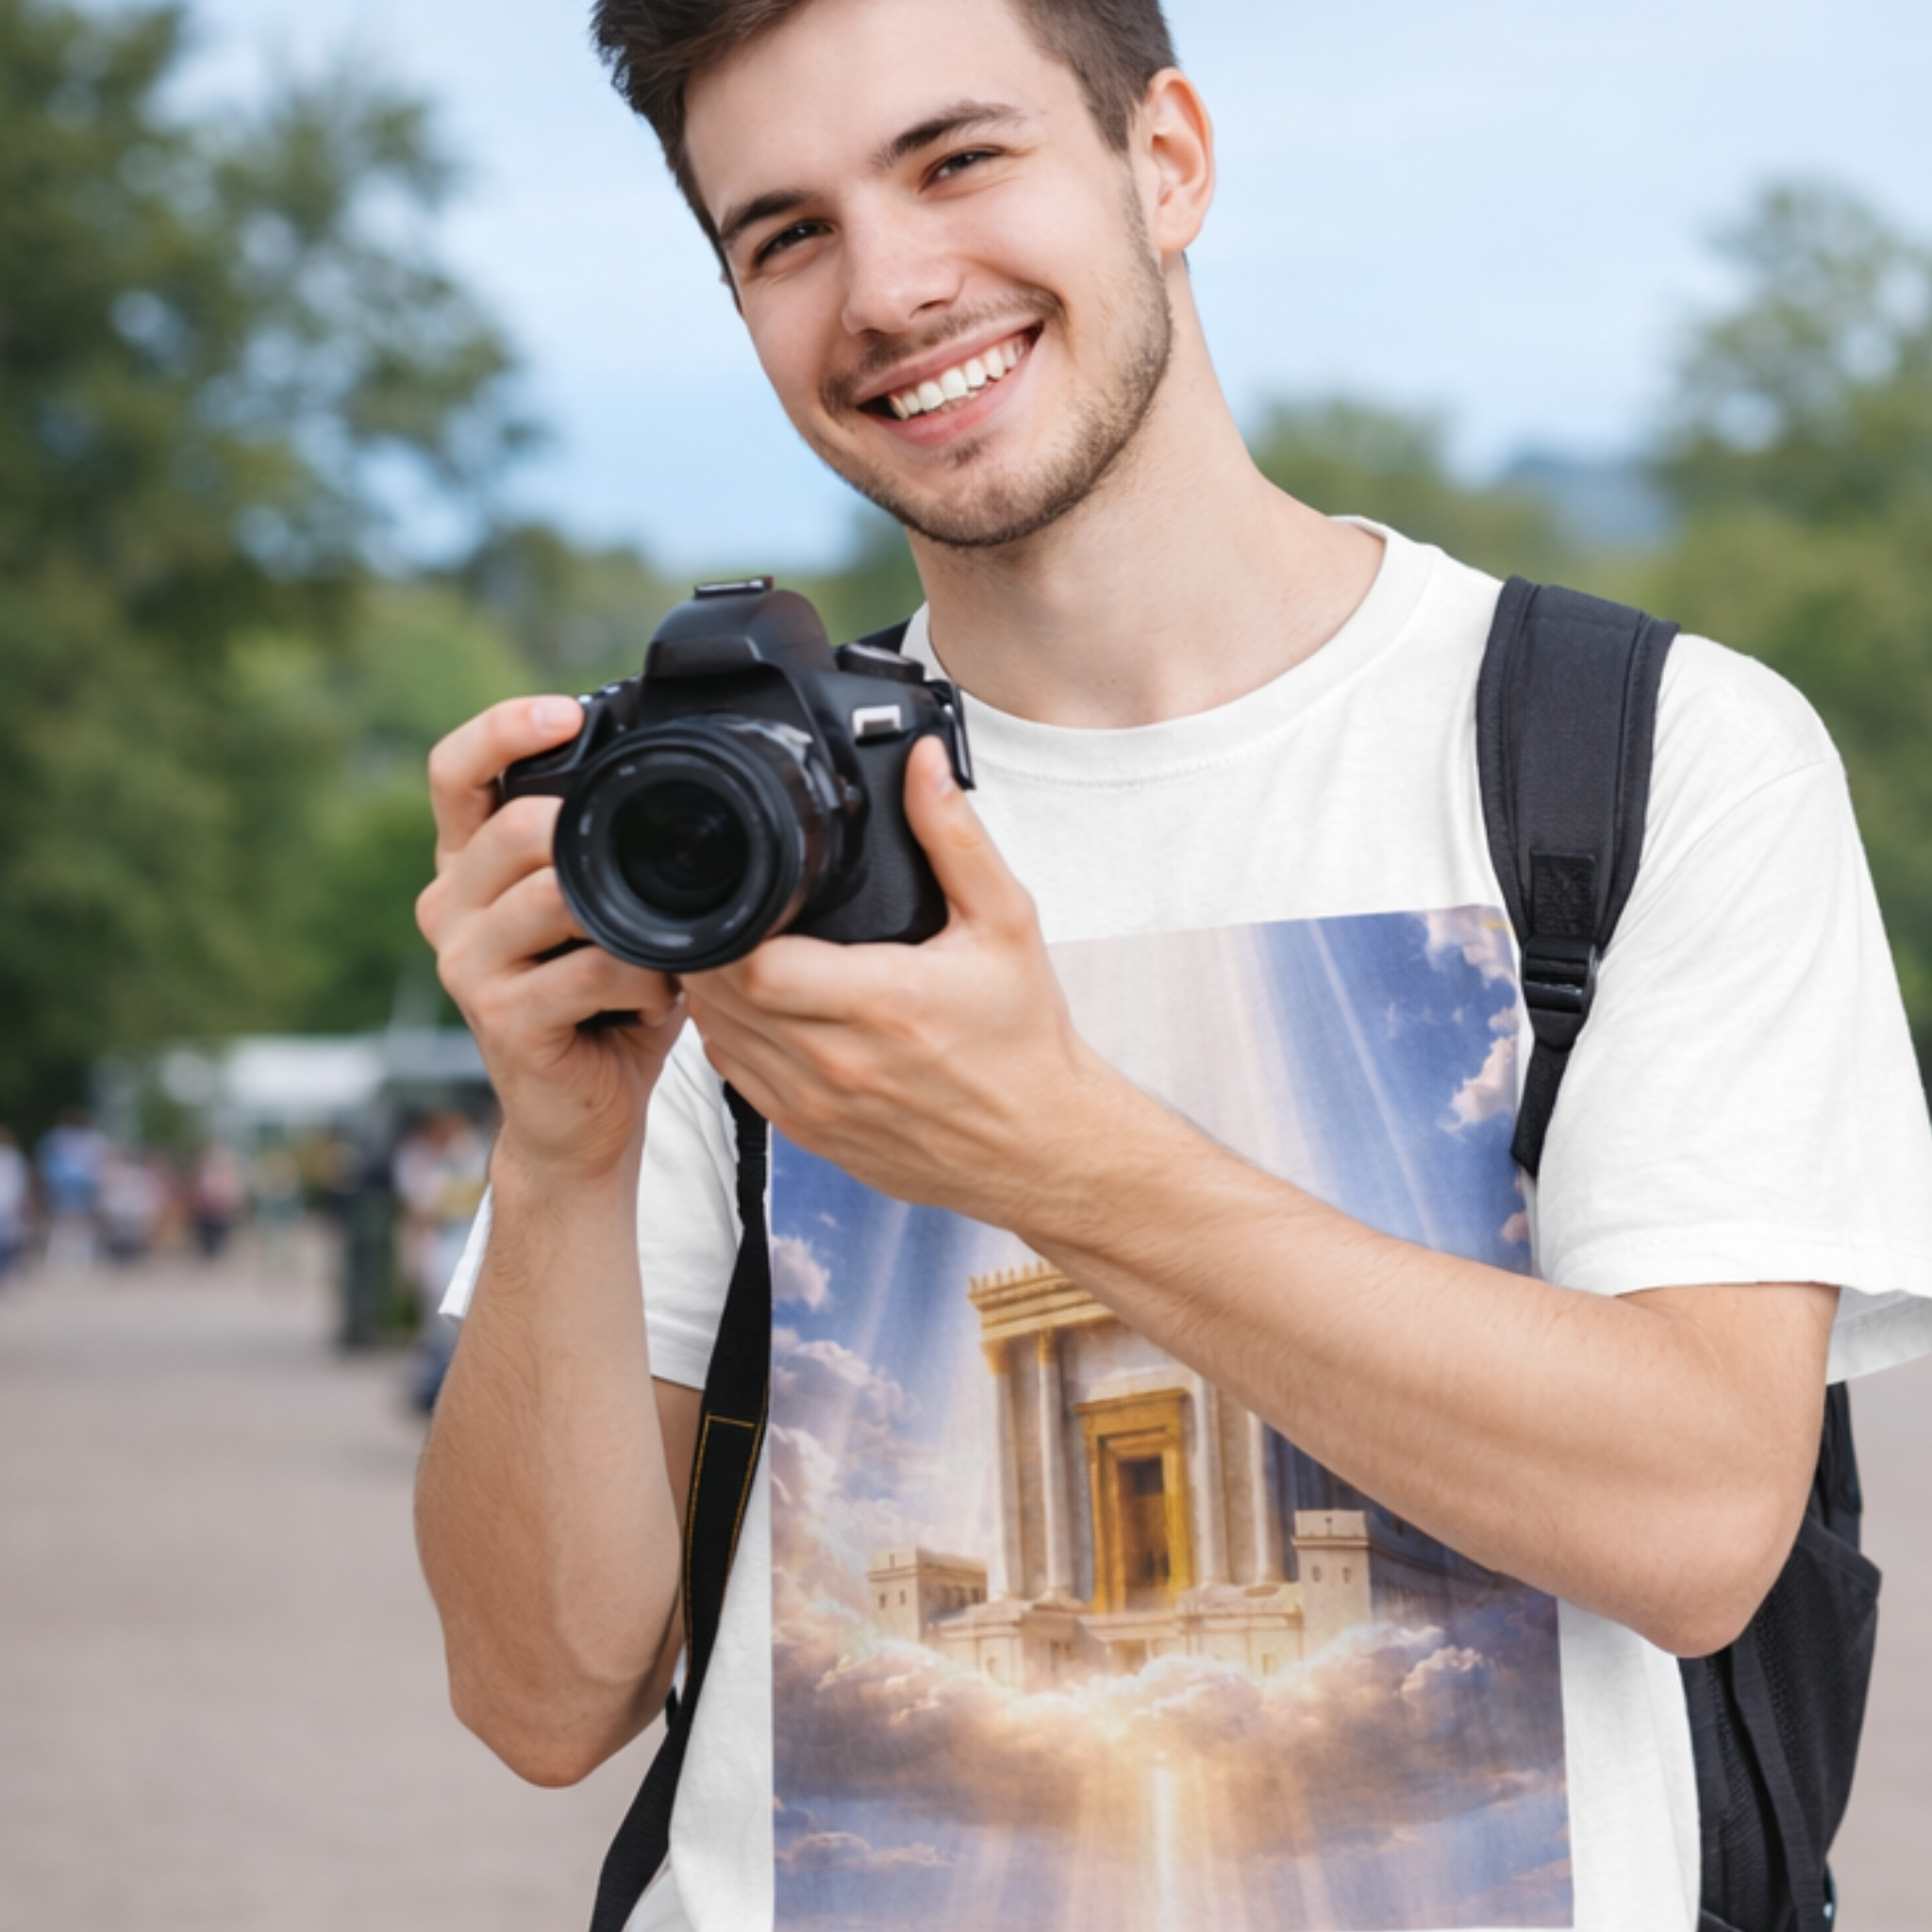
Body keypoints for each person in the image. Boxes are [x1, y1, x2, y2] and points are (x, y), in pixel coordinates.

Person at [413, 3, 1932, 1927]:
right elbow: (542, 1697)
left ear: (1168, 159)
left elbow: (1705, 1520)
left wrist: (1048, 1150)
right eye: (783, 234)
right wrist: (557, 1146)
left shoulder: (1631, 757)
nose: (887, 286)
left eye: (956, 160)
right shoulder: (732, 842)